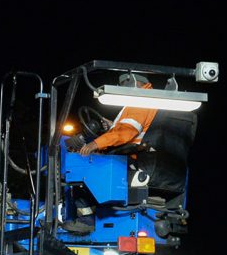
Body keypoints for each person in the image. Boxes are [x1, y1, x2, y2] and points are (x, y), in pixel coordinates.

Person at [62, 73, 158, 235]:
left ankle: (86, 220)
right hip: (134, 158)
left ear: (132, 83)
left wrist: (95, 144)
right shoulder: (152, 101)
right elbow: (129, 130)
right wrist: (112, 126)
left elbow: (126, 133)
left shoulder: (141, 102)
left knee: (76, 169)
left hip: (127, 160)